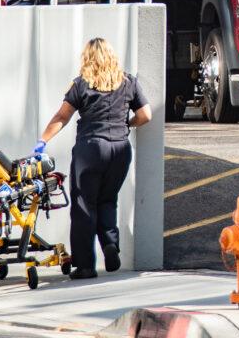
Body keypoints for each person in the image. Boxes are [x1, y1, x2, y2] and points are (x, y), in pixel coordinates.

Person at [35, 37, 152, 279]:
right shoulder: (128, 82)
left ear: (87, 59)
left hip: (90, 150)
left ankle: (86, 265)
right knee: (107, 200)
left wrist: (42, 141)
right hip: (120, 150)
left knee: (83, 206)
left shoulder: (81, 84)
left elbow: (62, 116)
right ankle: (110, 243)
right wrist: (126, 124)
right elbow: (145, 115)